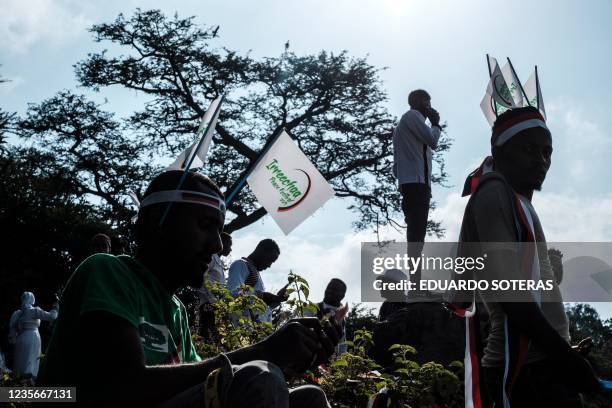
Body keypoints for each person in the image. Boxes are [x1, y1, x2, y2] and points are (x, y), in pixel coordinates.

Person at [37, 170, 340, 407]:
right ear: (159, 222)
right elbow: (124, 387)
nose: (218, 244)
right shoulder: (106, 270)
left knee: (308, 397)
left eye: (219, 230)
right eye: (206, 225)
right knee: (257, 379)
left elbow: (197, 384)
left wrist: (288, 357)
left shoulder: (176, 310)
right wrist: (263, 351)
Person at [458, 107, 602, 407]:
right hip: (524, 372)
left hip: (542, 365)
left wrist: (564, 351)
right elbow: (511, 297)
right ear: (499, 150)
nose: (541, 160)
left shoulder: (516, 201)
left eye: (547, 152)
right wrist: (567, 359)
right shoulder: (494, 193)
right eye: (529, 149)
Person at [392, 89, 442, 292]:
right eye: (428, 101)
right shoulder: (412, 117)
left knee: (416, 234)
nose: (430, 105)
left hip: (414, 184)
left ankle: (416, 281)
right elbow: (433, 140)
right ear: (422, 102)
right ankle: (416, 284)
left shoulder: (408, 123)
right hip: (416, 184)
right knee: (416, 235)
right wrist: (437, 123)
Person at [227, 239, 289, 323]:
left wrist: (277, 299)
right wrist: (261, 296)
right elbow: (233, 293)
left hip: (256, 330)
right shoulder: (241, 264)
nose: (269, 265)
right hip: (242, 328)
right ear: (261, 251)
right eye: (270, 260)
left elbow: (260, 309)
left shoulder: (256, 274)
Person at [8, 291, 58, 378]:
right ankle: (28, 384)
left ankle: (17, 384)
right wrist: (56, 307)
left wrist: (13, 340)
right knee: (31, 363)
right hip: (32, 337)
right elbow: (52, 316)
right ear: (32, 300)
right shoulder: (34, 311)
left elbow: (12, 331)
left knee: (20, 362)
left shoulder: (17, 314)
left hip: (20, 339)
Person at [199, 231, 232, 339]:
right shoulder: (211, 257)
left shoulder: (219, 261)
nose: (230, 249)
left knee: (214, 335)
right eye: (229, 245)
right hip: (209, 304)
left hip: (217, 306)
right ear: (222, 242)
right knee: (207, 335)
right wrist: (210, 299)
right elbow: (203, 276)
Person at [305, 279, 348, 355]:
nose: (330, 291)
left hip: (328, 360)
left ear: (342, 295)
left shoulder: (342, 317)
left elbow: (342, 343)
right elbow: (304, 331)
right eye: (328, 288)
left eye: (335, 289)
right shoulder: (311, 308)